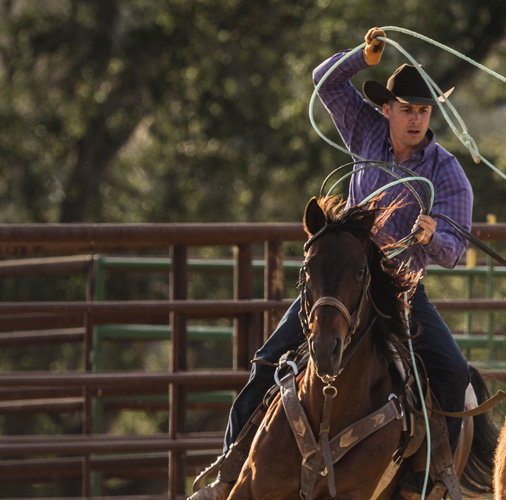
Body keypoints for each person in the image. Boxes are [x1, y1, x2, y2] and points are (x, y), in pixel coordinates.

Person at [192, 27, 476, 499]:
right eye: (407, 109)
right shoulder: (365, 129)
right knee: (266, 364)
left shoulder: (447, 174)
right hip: (344, 280)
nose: (416, 119)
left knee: (452, 373)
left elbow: (455, 249)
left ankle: (429, 479)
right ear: (386, 109)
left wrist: (434, 237)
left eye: (424, 111)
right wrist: (363, 57)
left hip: (401, 288)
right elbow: (325, 81)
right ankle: (228, 472)